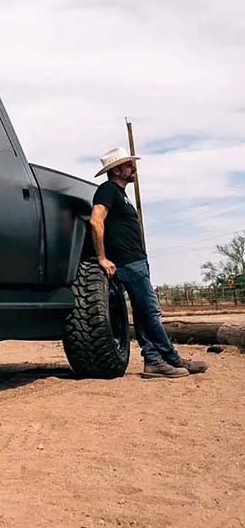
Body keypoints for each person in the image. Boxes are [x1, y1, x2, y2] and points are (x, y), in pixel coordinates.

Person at [90, 147, 207, 379]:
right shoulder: (108, 190)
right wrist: (101, 257)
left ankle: (153, 362)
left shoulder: (120, 193)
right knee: (151, 312)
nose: (133, 168)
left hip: (136, 261)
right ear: (116, 170)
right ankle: (172, 358)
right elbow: (95, 221)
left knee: (144, 314)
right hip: (129, 263)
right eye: (129, 165)